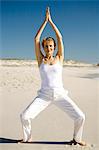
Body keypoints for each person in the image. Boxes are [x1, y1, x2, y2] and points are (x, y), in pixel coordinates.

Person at [19, 7, 86, 146]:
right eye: (46, 46)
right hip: (43, 95)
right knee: (24, 116)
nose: (48, 48)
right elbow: (36, 38)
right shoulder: (40, 60)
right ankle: (27, 138)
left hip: (60, 94)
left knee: (80, 116)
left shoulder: (60, 58)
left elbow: (60, 37)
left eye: (50, 46)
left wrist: (51, 21)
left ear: (54, 47)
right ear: (43, 48)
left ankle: (77, 139)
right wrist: (45, 22)